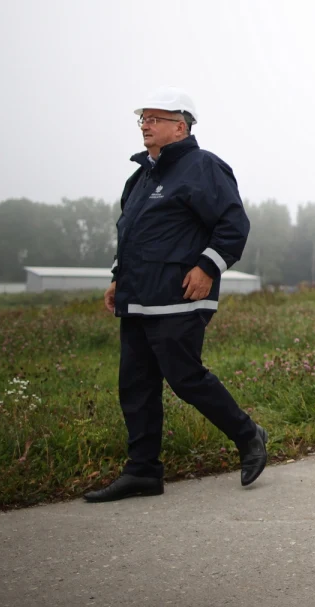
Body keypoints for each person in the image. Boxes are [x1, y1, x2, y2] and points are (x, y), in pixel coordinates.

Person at [85, 87, 268, 503]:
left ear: (180, 126)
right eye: (142, 119)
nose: (145, 125)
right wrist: (118, 277)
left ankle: (248, 435)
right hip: (137, 296)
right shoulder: (141, 176)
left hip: (180, 295)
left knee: (185, 377)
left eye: (154, 118)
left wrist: (208, 267)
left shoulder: (203, 167)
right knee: (134, 384)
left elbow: (233, 224)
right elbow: (130, 235)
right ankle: (143, 472)